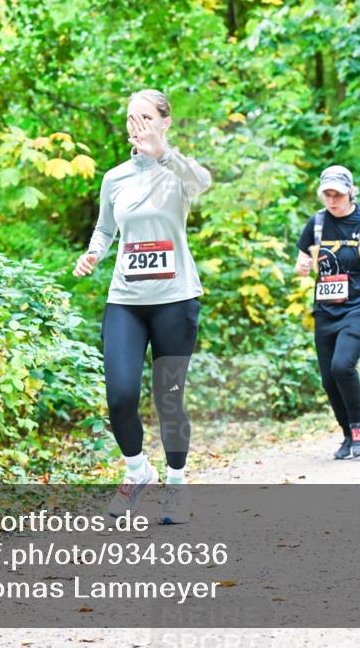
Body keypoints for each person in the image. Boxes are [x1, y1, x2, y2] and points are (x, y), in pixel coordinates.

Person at [73, 89, 210, 524]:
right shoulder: (115, 177)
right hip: (126, 301)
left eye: (147, 117)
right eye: (132, 118)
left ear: (165, 121)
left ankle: (176, 483)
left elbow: (202, 182)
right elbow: (104, 229)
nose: (138, 125)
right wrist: (92, 253)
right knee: (120, 395)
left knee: (168, 397)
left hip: (175, 299)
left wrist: (164, 153)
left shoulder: (177, 172)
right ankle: (137, 471)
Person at [294, 166, 360, 460]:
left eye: (337, 194)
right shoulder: (316, 223)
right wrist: (301, 266)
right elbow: (303, 257)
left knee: (342, 366)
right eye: (326, 194)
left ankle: (358, 426)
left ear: (350, 192)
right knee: (328, 378)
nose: (331, 200)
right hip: (326, 309)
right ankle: (345, 433)